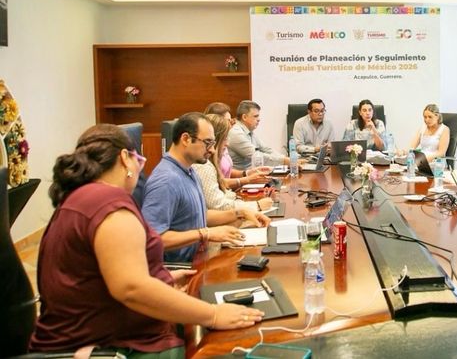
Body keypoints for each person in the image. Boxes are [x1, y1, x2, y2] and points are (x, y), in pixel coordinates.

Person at [29, 124, 262, 354]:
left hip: (105, 330)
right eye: (139, 161)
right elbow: (132, 289)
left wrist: (159, 277)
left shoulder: (84, 198)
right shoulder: (110, 205)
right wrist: (213, 314)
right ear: (124, 158)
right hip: (111, 343)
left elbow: (99, 275)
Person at [141, 112, 269, 263]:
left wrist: (240, 213)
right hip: (183, 267)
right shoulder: (166, 181)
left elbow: (200, 215)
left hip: (200, 257)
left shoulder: (189, 170)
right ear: (186, 139)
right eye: (207, 143)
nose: (212, 150)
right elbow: (151, 239)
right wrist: (206, 234)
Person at [194, 114, 274, 215]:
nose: (227, 144)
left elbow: (222, 191)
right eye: (224, 139)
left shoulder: (209, 162)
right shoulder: (203, 166)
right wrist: (256, 205)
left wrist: (239, 197)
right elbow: (218, 205)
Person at [205, 102, 271, 189]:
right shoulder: (209, 151)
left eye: (231, 120)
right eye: (228, 121)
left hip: (229, 190)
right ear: (216, 123)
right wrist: (247, 179)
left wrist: (247, 173)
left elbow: (227, 171)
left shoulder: (223, 143)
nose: (232, 124)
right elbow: (218, 182)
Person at [227, 100, 290, 169]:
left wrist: (286, 159)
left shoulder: (249, 131)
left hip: (252, 172)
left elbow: (266, 149)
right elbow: (256, 156)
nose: (259, 119)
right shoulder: (236, 133)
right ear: (244, 117)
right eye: (255, 116)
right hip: (242, 174)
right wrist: (284, 161)